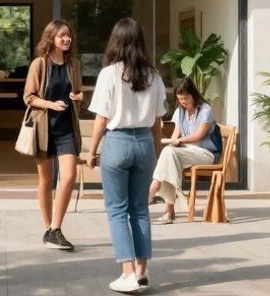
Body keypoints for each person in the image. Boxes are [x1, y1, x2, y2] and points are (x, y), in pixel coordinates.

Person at [84, 18, 167, 294]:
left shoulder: (109, 74)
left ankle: (127, 273)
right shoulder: (154, 75)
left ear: (115, 41)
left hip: (117, 142)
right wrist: (155, 149)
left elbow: (101, 118)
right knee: (140, 209)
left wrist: (92, 150)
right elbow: (158, 121)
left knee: (117, 210)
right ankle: (142, 271)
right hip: (144, 142)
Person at [22, 18, 85, 251]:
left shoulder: (73, 65)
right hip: (45, 129)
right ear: (52, 38)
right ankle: (49, 228)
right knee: (46, 181)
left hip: (67, 129)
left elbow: (77, 91)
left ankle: (55, 228)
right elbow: (28, 97)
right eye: (62, 36)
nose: (67, 39)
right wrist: (50, 104)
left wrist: (78, 97)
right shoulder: (40, 64)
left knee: (68, 176)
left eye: (69, 35)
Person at [147, 77, 219, 224]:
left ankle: (156, 194)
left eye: (185, 98)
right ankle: (170, 205)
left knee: (169, 154)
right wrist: (172, 143)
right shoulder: (180, 112)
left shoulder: (206, 109)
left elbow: (199, 136)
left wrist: (178, 142)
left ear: (194, 95)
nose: (183, 102)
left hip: (205, 153)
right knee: (169, 153)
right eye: (180, 99)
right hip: (186, 153)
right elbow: (176, 134)